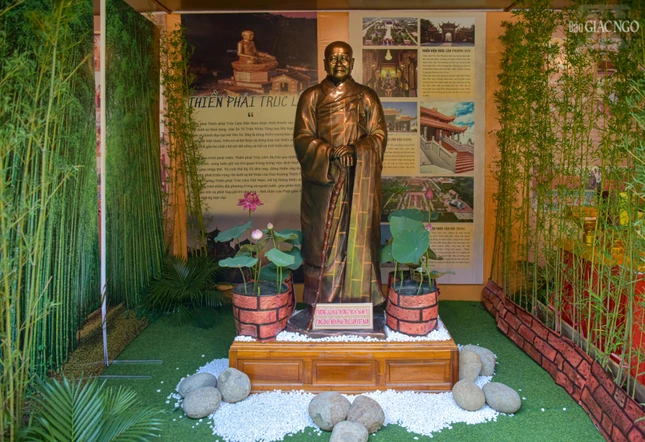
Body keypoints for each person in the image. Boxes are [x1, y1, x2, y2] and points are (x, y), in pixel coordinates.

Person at [293, 41, 387, 306]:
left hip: (357, 182)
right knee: (321, 238)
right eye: (333, 58)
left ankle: (359, 297)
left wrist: (356, 150)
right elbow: (302, 138)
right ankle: (321, 301)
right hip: (324, 182)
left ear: (353, 63)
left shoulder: (366, 96)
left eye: (344, 58)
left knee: (359, 237)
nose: (339, 63)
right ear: (324, 63)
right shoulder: (311, 97)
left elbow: (379, 136)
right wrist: (330, 153)